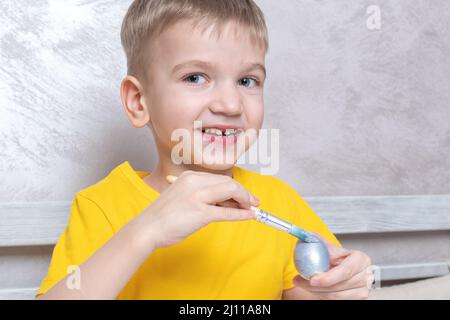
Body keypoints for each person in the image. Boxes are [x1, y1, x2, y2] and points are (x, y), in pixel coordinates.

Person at [36, 0, 372, 300]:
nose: (229, 104)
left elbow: (312, 292)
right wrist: (146, 230)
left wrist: (341, 286)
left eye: (247, 81)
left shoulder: (281, 202)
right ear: (139, 101)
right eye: (196, 77)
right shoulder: (103, 206)